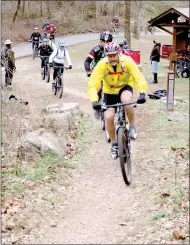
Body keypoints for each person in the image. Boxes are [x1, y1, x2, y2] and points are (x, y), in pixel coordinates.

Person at [87, 42, 147, 159]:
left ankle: (132, 126)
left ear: (118, 54)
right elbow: (92, 84)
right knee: (108, 117)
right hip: (109, 91)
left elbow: (138, 77)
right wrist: (94, 101)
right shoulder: (102, 65)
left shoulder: (127, 61)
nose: (112, 58)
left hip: (124, 86)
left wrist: (142, 92)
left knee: (126, 100)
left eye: (114, 55)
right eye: (109, 56)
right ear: (106, 56)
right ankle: (114, 144)